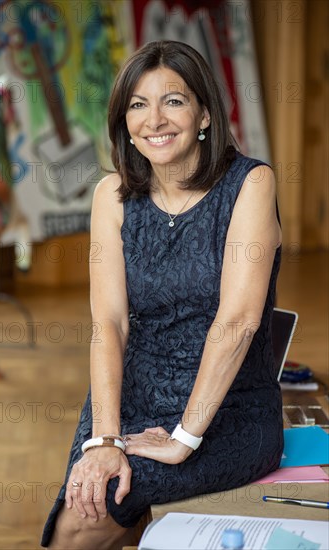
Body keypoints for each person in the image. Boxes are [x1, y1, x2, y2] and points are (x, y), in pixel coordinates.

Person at [42, 40, 283, 550]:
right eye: (137, 104)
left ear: (203, 114)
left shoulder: (250, 184)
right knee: (80, 510)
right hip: (129, 399)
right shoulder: (112, 196)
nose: (155, 119)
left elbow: (238, 321)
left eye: (173, 100)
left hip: (225, 411)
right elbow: (109, 322)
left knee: (103, 504)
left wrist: (184, 438)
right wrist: (105, 438)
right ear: (124, 122)